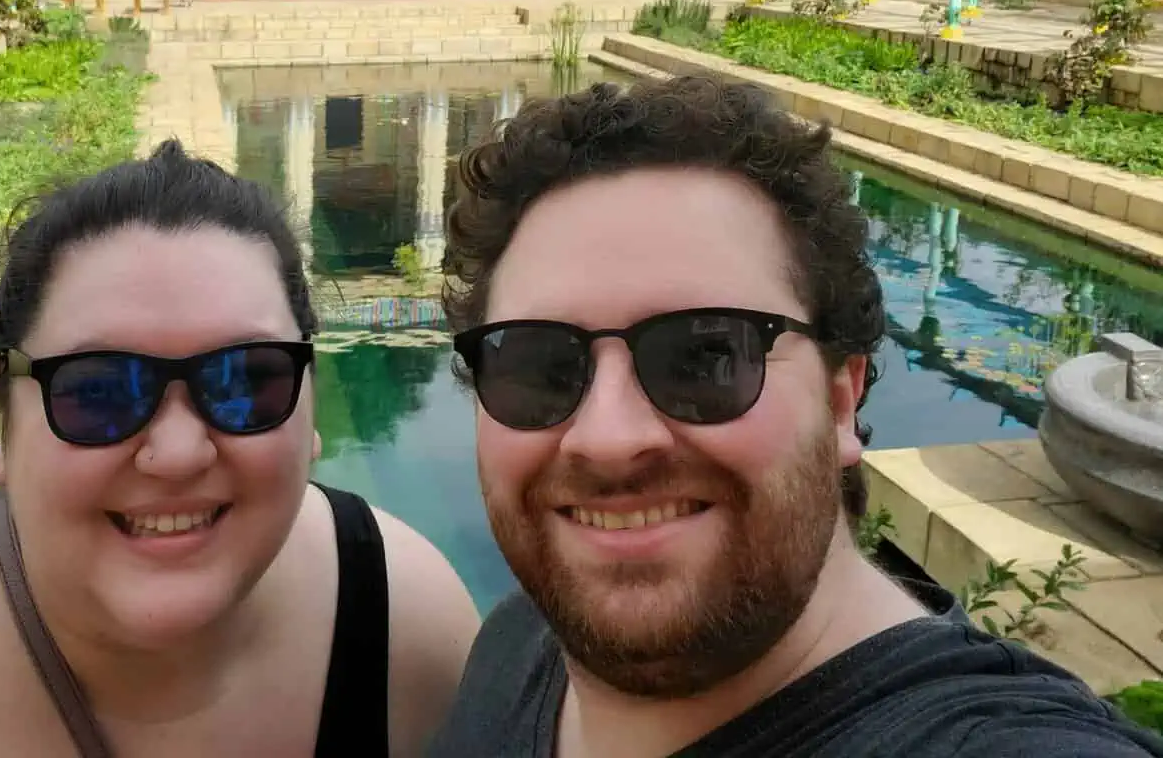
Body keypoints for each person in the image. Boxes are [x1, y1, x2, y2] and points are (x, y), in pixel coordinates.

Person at [428, 75, 1163, 758]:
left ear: (841, 400)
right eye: (540, 366)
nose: (610, 438)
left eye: (705, 358)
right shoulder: (515, 645)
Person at [0, 141, 479, 758]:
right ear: (3, 432)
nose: (176, 453)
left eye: (245, 379)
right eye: (98, 390)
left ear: (311, 415)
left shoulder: (405, 624)